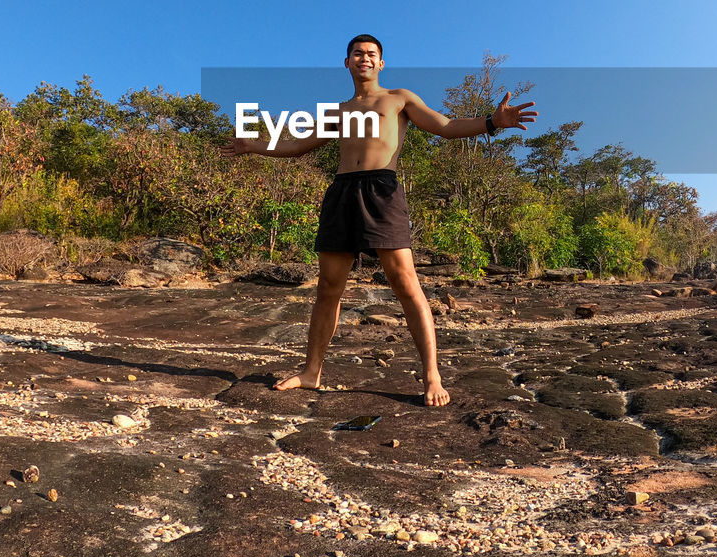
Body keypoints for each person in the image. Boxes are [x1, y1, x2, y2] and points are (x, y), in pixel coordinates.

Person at [219, 34, 537, 407]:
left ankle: (432, 375)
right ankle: (311, 372)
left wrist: (490, 122)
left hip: (381, 189)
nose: (364, 58)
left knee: (405, 283)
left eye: (371, 54)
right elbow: (297, 146)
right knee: (328, 287)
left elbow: (445, 125)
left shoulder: (399, 98)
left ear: (381, 63)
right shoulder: (336, 111)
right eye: (358, 53)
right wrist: (253, 145)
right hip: (342, 192)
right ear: (347, 62)